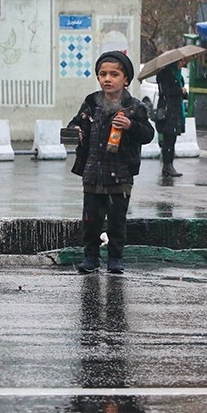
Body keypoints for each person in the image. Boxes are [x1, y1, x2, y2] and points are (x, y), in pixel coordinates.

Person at [66, 50, 155, 275]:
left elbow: (148, 134)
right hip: (92, 171)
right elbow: (77, 123)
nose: (107, 78)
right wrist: (75, 130)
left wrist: (131, 126)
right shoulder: (91, 102)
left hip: (120, 174)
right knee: (91, 219)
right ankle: (91, 257)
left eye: (114, 74)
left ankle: (115, 258)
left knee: (117, 220)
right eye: (102, 74)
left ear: (125, 79)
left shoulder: (134, 107)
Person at [154, 58, 189, 177]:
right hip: (168, 111)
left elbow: (181, 93)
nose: (182, 64)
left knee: (172, 139)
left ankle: (169, 164)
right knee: (168, 139)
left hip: (176, 110)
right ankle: (167, 165)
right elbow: (165, 91)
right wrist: (179, 91)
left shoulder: (178, 74)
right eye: (180, 62)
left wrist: (183, 92)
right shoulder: (165, 73)